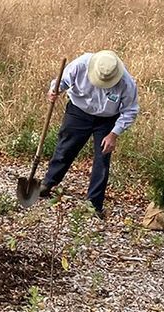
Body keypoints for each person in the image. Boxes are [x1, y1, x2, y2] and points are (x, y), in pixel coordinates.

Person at [39, 50, 139, 218]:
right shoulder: (81, 64)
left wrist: (114, 134)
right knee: (65, 148)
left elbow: (131, 110)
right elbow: (61, 81)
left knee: (102, 159)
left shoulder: (126, 82)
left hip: (107, 119)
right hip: (78, 111)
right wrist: (54, 91)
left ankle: (94, 204)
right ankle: (48, 183)